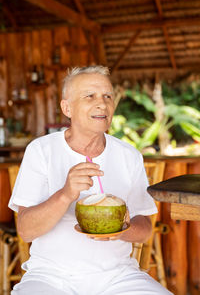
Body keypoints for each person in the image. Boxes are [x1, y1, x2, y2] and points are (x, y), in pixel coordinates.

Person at [9, 65, 173, 295]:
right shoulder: (41, 151)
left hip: (118, 275)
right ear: (67, 108)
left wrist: (120, 230)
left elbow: (144, 228)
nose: (102, 103)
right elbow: (26, 230)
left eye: (108, 96)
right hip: (51, 277)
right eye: (90, 96)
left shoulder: (129, 156)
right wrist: (66, 194)